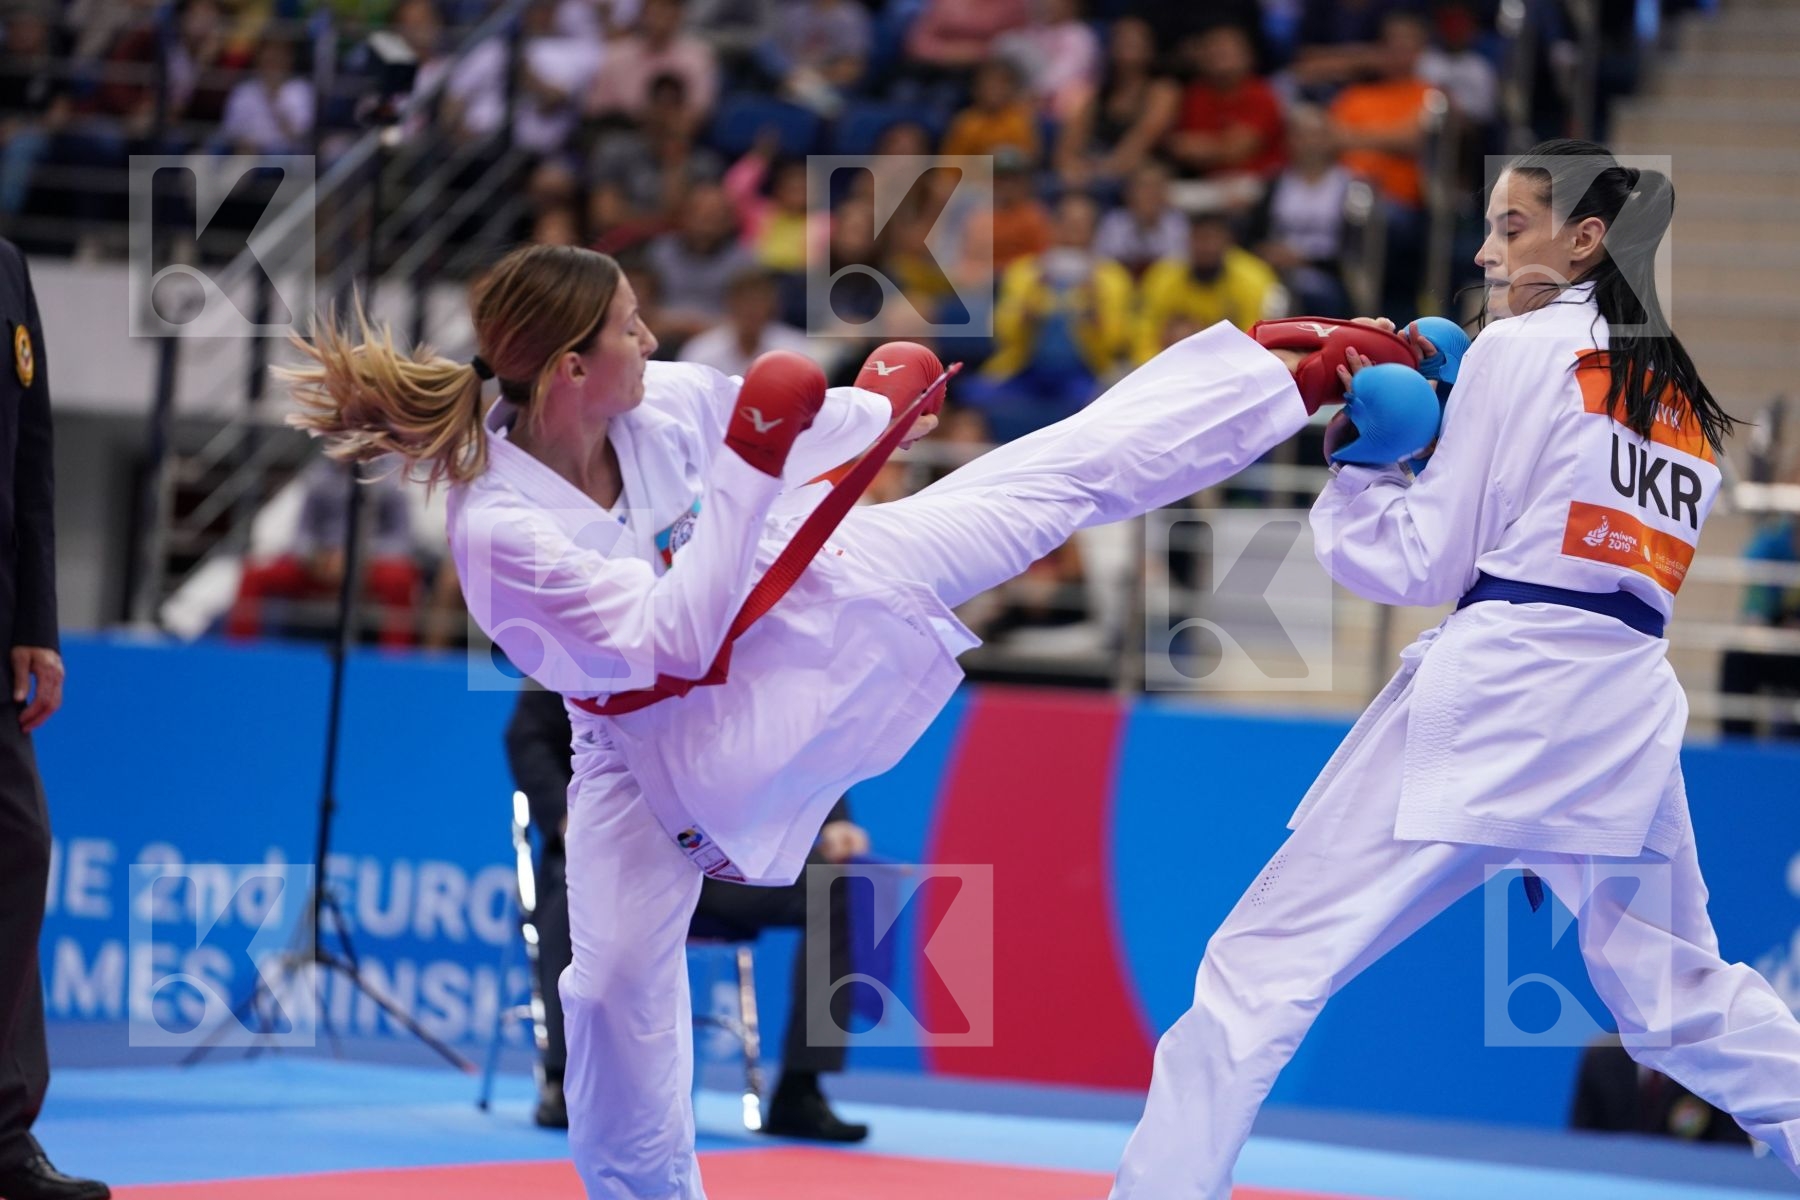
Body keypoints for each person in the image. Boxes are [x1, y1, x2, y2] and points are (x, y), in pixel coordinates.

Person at [283, 240, 1394, 1199]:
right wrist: (755, 471)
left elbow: (791, 435)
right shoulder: (499, 535)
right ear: (574, 367)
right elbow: (674, 639)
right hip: (643, 737)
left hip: (793, 585)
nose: (650, 335)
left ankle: (1284, 380)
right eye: (630, 326)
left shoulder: (659, 400)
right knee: (613, 986)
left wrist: (881, 407)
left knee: (1039, 482)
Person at [1109, 140, 1800, 1198]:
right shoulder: (1684, 400)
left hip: (1503, 690)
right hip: (1619, 709)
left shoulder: (1520, 354)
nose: (1484, 254)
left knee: (1264, 968)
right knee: (1679, 996)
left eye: (1511, 228)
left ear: (1586, 241)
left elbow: (1424, 556)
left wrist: (1359, 464)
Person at [506, 684, 870, 1139]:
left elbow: (789, 726)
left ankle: (801, 1088)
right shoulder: (591, 626)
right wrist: (565, 816)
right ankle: (566, 1081)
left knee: (829, 884)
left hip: (713, 859)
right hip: (612, 846)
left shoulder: (731, 635)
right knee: (575, 891)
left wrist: (831, 816)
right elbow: (528, 735)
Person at [0, 238, 109, 1200]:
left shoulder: (6, 267)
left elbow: (31, 457)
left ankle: (2, 1136)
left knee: (18, 848)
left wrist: (37, 622)